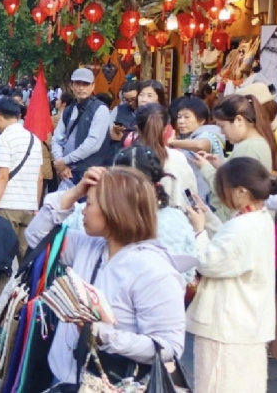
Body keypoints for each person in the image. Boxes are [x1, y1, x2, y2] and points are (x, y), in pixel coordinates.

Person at [24, 166, 187, 388]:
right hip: (63, 377)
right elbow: (36, 236)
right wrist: (74, 193)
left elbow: (169, 347)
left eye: (88, 203)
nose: (82, 210)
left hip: (108, 384)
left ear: (114, 210)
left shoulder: (154, 270)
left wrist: (102, 336)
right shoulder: (89, 247)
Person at [186, 157, 276, 393]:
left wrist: (198, 230)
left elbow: (209, 262)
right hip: (246, 324)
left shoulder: (244, 227)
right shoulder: (259, 218)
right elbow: (228, 245)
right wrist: (208, 219)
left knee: (215, 385)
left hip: (227, 327)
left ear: (241, 191)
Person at [57, 145, 199, 283]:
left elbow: (50, 236)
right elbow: (188, 273)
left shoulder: (94, 215)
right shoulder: (177, 219)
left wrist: (75, 195)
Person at [0, 98, 43, 295]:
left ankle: (1, 307)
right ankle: (26, 303)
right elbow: (40, 177)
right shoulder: (34, 139)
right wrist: (35, 205)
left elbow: (2, 176)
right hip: (28, 206)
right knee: (26, 261)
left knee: (1, 258)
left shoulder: (4, 139)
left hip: (7, 206)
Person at [193, 94, 277, 220]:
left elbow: (231, 191)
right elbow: (241, 181)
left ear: (239, 120)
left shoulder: (248, 148)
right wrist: (221, 167)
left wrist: (206, 168)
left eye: (222, 126)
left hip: (231, 219)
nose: (222, 132)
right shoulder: (255, 143)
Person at [51, 68, 111, 185]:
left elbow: (93, 143)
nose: (81, 88)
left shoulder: (100, 109)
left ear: (93, 86)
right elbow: (57, 138)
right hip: (68, 171)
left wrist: (65, 161)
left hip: (90, 171)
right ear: (71, 86)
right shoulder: (68, 110)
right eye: (78, 83)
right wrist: (60, 163)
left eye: (86, 84)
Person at [133, 104, 199, 210]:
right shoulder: (177, 158)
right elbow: (190, 195)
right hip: (174, 221)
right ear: (165, 130)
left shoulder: (128, 158)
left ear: (137, 129)